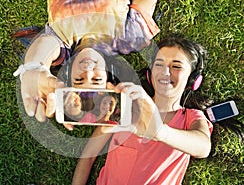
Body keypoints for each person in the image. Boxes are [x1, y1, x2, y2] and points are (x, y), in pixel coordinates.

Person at [72, 35, 214, 184]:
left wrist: (160, 132)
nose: (165, 72)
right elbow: (89, 155)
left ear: (193, 80)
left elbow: (203, 147)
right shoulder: (125, 107)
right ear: (149, 73)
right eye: (159, 65)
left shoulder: (190, 117)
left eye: (176, 66)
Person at [13, 0, 160, 122]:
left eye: (78, 79)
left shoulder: (62, 43)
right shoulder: (129, 39)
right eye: (96, 80)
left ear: (68, 72)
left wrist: (33, 68)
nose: (88, 72)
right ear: (109, 74)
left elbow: (43, 46)